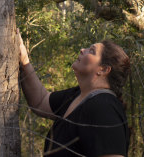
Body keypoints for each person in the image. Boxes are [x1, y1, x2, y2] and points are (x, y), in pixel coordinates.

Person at [17, 29, 130, 157]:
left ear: (103, 69)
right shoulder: (77, 95)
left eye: (91, 51)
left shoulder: (104, 108)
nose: (82, 50)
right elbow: (40, 101)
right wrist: (24, 62)